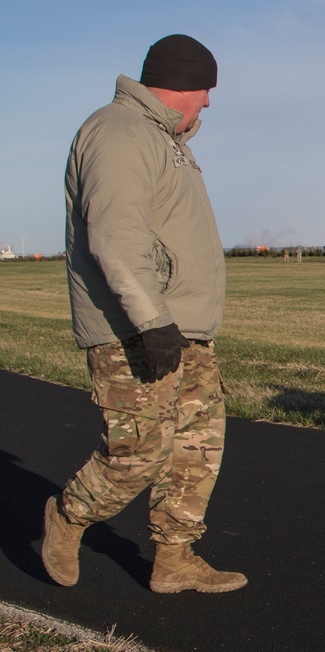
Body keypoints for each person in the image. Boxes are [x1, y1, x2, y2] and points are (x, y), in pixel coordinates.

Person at [43, 35, 247, 593]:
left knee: (197, 444)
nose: (207, 104)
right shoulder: (120, 133)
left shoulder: (165, 139)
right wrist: (151, 320)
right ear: (185, 85)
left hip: (180, 327)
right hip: (135, 328)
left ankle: (174, 558)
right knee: (138, 451)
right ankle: (68, 516)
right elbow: (116, 234)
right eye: (205, 92)